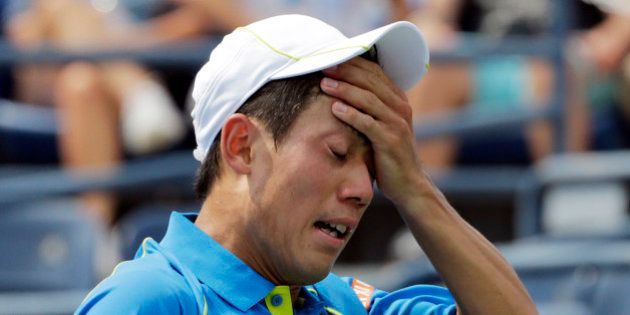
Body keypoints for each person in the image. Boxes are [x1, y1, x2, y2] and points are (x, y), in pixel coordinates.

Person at [76, 15, 536, 314]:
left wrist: (415, 187)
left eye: (374, 160)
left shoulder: (344, 303)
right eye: (337, 153)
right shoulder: (146, 301)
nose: (364, 188)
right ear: (242, 147)